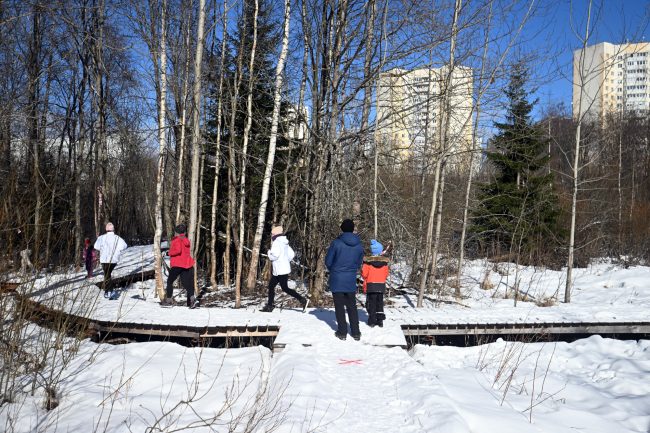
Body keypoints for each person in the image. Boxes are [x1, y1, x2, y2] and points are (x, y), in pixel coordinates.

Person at [325, 218, 364, 340]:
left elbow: (328, 261)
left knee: (339, 306)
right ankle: (356, 332)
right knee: (352, 306)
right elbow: (359, 263)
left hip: (337, 277)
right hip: (350, 278)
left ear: (342, 229)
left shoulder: (336, 243)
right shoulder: (359, 245)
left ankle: (342, 332)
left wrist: (334, 269)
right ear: (353, 229)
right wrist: (352, 269)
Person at [261, 225, 308, 312]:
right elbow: (292, 254)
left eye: (272, 234)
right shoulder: (285, 243)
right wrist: (285, 261)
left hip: (280, 270)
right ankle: (270, 305)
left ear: (275, 234)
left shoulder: (276, 243)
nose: (271, 236)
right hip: (282, 269)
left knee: (284, 288)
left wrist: (268, 253)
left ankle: (302, 300)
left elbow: (274, 256)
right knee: (271, 286)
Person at [161, 224, 198, 308]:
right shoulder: (186, 240)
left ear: (176, 232)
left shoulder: (176, 239)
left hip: (177, 264)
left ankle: (169, 301)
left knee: (170, 281)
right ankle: (193, 300)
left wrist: (168, 253)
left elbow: (178, 250)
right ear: (184, 232)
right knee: (186, 284)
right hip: (186, 264)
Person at [94, 222, 128, 298]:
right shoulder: (117, 238)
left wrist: (102, 249)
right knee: (107, 275)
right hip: (113, 260)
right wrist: (117, 249)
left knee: (107, 275)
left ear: (106, 229)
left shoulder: (101, 238)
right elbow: (125, 246)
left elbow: (96, 246)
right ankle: (108, 291)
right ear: (113, 229)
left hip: (104, 260)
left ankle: (109, 291)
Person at [361, 239, 389, 327]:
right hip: (381, 285)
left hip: (371, 285)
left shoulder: (367, 263)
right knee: (380, 302)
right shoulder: (384, 263)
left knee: (371, 303)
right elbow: (386, 274)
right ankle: (380, 321)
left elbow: (364, 274)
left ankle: (372, 321)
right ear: (380, 251)